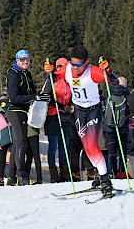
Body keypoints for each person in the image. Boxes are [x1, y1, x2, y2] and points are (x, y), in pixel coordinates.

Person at [44, 45, 119, 197]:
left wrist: (108, 71)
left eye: (78, 65)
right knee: (87, 147)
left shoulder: (93, 72)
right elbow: (54, 77)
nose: (75, 68)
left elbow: (114, 83)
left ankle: (106, 180)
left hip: (93, 111)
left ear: (86, 63)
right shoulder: (67, 69)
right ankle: (99, 173)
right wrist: (49, 70)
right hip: (79, 111)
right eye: (73, 64)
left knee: (91, 146)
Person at [6, 49, 50, 186]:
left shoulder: (27, 74)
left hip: (25, 111)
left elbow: (32, 92)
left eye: (27, 59)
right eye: (22, 59)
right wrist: (32, 97)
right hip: (15, 110)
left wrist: (40, 97)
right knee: (21, 143)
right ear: (17, 60)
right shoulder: (13, 74)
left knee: (17, 145)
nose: (25, 62)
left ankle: (11, 177)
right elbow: (13, 97)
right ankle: (21, 175)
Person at [43, 58, 72, 183]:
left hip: (65, 117)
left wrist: (70, 106)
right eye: (61, 67)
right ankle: (53, 173)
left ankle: (64, 172)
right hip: (52, 116)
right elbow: (46, 96)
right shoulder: (52, 79)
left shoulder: (68, 81)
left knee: (63, 146)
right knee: (53, 146)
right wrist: (61, 107)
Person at [102, 77, 130, 178]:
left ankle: (111, 173)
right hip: (123, 127)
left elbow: (103, 108)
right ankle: (122, 172)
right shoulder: (127, 95)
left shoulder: (108, 93)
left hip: (109, 127)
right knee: (122, 151)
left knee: (111, 152)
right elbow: (129, 111)